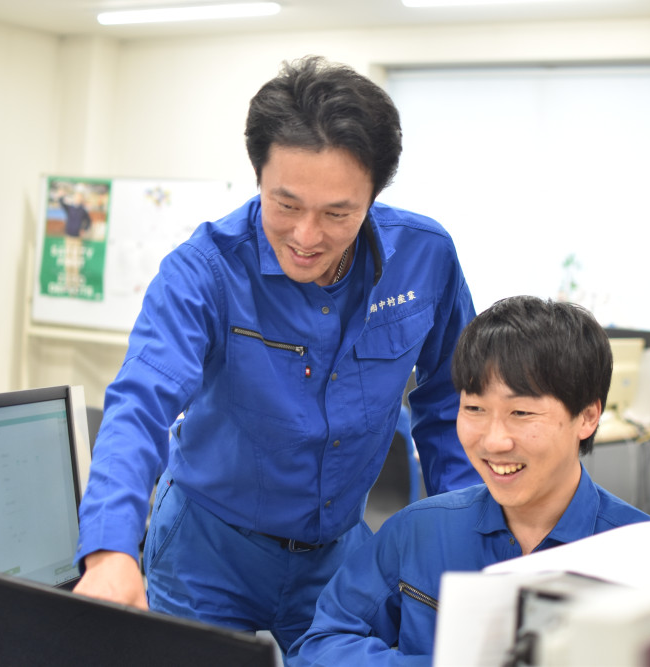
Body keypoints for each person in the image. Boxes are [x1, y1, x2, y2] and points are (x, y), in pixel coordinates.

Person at [72, 55, 481, 654]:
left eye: (338, 213)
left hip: (337, 555)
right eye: (285, 205)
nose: (306, 237)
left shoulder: (425, 258)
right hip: (206, 551)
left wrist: (463, 539)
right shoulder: (204, 271)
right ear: (259, 177)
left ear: (374, 195)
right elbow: (141, 404)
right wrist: (109, 550)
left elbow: (452, 404)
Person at [288, 296, 650, 665]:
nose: (494, 442)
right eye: (475, 408)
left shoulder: (647, 556)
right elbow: (319, 646)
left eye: (521, 412)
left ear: (587, 417)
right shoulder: (418, 531)